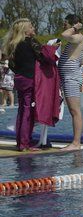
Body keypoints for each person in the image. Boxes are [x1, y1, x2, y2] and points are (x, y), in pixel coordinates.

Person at [3, 19, 43, 151]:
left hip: (19, 79)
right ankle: (24, 143)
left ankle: (20, 141)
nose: (33, 29)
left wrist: (19, 72)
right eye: (31, 27)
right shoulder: (30, 42)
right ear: (25, 30)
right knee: (28, 111)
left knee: (22, 110)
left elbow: (12, 65)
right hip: (29, 79)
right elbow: (42, 57)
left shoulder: (14, 44)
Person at [58, 14, 83, 151]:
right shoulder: (76, 39)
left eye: (65, 23)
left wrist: (75, 28)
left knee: (75, 111)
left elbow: (64, 34)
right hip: (68, 77)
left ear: (73, 24)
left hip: (71, 77)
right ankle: (75, 142)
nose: (64, 26)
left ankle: (76, 143)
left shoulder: (78, 37)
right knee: (73, 111)